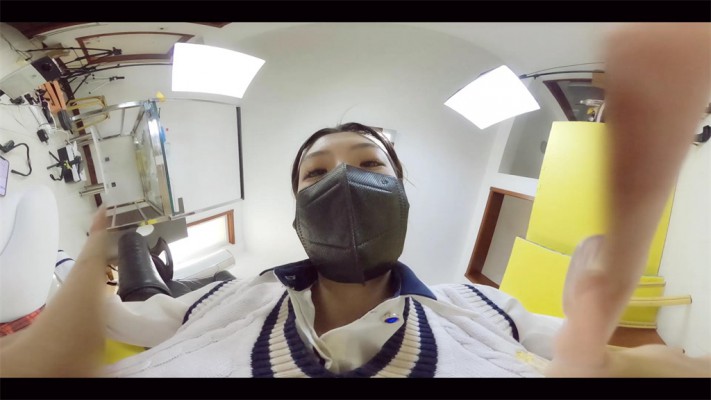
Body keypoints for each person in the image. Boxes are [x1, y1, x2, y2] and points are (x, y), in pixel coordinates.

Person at [0, 22, 709, 378]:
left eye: (370, 164)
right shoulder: (232, 296)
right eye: (316, 174)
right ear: (297, 210)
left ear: (401, 193)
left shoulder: (480, 304)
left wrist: (613, 355)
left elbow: (607, 357)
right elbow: (127, 318)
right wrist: (93, 255)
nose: (343, 181)